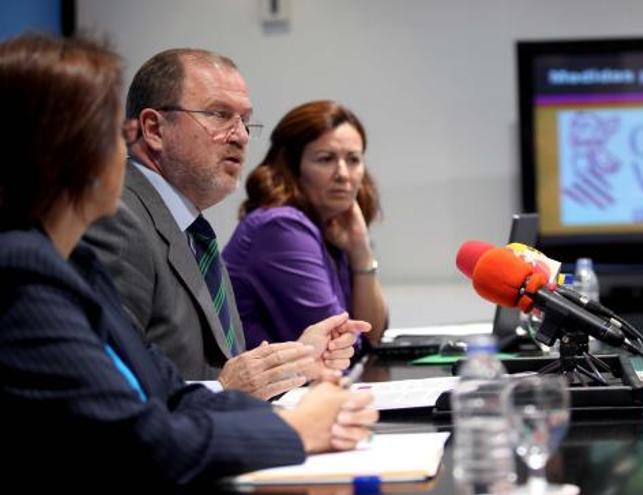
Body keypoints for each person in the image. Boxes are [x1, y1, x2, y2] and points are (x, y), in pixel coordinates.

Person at [0, 33, 377, 487]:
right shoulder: (22, 272)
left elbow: (169, 395)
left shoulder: (79, 263)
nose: (124, 142)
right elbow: (136, 440)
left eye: (244, 121)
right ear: (53, 149)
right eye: (105, 127)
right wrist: (295, 429)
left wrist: (291, 388)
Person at [84, 50, 368, 400]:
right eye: (219, 115)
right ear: (154, 129)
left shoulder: (192, 228)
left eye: (245, 120)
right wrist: (224, 389)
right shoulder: (118, 220)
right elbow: (105, 392)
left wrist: (297, 359)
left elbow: (224, 368)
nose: (241, 136)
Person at [223, 101, 388, 350]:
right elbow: (342, 345)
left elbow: (372, 334)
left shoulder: (331, 225)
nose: (343, 173)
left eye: (353, 160)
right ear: (292, 166)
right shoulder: (280, 227)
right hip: (267, 389)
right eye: (326, 159)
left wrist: (361, 252)